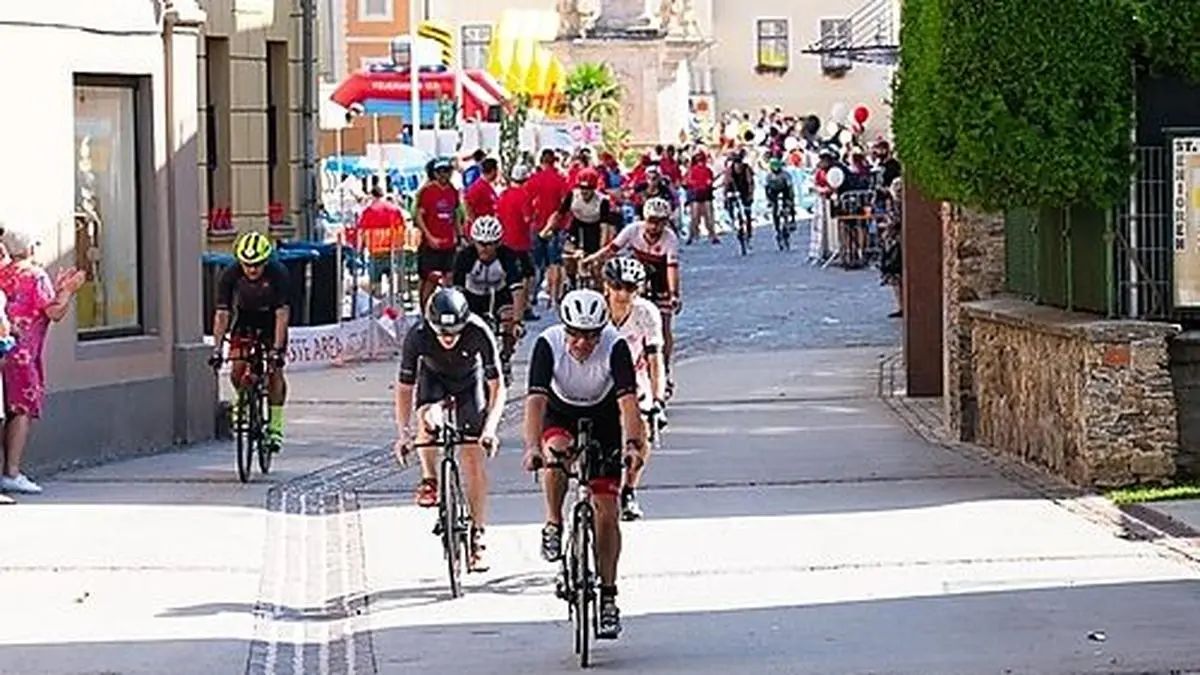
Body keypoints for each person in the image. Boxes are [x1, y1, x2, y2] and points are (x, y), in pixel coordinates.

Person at [522, 289, 647, 640]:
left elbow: (628, 402)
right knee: (555, 452)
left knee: (607, 508)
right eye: (575, 334)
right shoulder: (548, 344)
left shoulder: (615, 345)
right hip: (559, 412)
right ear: (564, 329)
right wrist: (532, 447)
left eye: (591, 336)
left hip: (603, 417)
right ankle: (553, 522)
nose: (582, 343)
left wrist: (632, 445)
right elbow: (535, 402)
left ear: (601, 332)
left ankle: (608, 597)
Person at [395, 287, 506, 571]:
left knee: (472, 458)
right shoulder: (418, 335)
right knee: (429, 420)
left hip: (470, 381)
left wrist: (490, 429)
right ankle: (430, 477)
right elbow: (405, 388)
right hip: (434, 379)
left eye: (454, 332)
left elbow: (498, 388)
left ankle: (478, 534)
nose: (448, 338)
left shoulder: (478, 331)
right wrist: (403, 433)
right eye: (442, 333)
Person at [0, 225, 86, 497]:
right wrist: (68, 291)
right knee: (21, 411)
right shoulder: (35, 275)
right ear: (28, 248)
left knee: (4, 411)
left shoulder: (3, 273)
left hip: (3, 351)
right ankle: (12, 472)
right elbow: (54, 312)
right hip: (23, 354)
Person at [585, 196, 681, 396]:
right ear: (644, 219)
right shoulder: (632, 230)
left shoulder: (670, 238)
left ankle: (663, 367)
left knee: (663, 326)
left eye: (660, 222)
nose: (654, 227)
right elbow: (612, 249)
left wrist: (674, 294)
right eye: (651, 221)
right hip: (637, 279)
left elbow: (672, 268)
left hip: (660, 279)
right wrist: (593, 259)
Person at [209, 231, 292, 451]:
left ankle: (275, 426)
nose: (252, 270)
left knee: (275, 371)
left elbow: (282, 314)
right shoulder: (230, 274)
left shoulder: (278, 273)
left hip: (272, 321)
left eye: (256, 265)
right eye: (247, 265)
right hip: (245, 319)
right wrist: (217, 349)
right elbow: (222, 314)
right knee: (237, 369)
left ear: (265, 261)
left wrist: (277, 350)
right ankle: (244, 399)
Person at [601, 257, 666, 521]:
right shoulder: (596, 310)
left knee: (642, 432)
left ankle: (629, 489)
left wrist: (658, 400)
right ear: (606, 286)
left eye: (630, 288)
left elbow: (655, 359)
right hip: (599, 377)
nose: (623, 294)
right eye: (617, 287)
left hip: (634, 378)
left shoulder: (646, 313)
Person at [452, 216, 526, 381]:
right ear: (474, 242)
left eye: (490, 244)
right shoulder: (465, 256)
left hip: (499, 294)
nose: (484, 249)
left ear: (498, 243)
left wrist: (518, 322)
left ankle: (505, 357)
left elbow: (518, 291)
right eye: (480, 244)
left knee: (508, 320)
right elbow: (456, 291)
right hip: (472, 295)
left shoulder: (508, 256)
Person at [543, 168, 621, 288]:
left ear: (594, 189)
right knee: (568, 256)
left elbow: (605, 227)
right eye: (582, 188)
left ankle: (598, 286)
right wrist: (546, 229)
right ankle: (571, 280)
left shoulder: (602, 201)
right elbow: (559, 214)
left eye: (588, 189)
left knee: (596, 264)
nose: (584, 192)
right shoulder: (573, 195)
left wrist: (601, 251)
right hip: (577, 225)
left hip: (594, 228)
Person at [414, 157, 464, 310]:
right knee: (431, 279)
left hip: (449, 243)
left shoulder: (453, 191)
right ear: (435, 173)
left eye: (446, 171)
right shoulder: (427, 191)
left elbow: (455, 214)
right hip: (432, 244)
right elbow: (419, 216)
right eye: (440, 171)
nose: (443, 175)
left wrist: (458, 235)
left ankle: (447, 309)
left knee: (449, 278)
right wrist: (429, 236)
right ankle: (424, 312)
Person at [527, 149, 570, 309]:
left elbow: (527, 202)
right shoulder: (560, 180)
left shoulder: (533, 180)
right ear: (554, 161)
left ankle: (532, 296)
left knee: (537, 263)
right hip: (556, 226)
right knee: (555, 263)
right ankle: (553, 298)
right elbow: (566, 202)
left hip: (537, 225)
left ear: (541, 161)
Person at [497, 164, 539, 321]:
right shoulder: (524, 195)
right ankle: (524, 306)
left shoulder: (503, 194)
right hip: (520, 241)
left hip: (504, 239)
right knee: (527, 274)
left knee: (509, 273)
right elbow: (527, 218)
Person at [684, 150, 718, 245]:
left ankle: (711, 235)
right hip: (697, 194)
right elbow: (688, 182)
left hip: (704, 194)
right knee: (696, 217)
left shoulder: (706, 170)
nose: (701, 162)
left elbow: (710, 180)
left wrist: (708, 183)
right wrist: (702, 184)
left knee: (707, 216)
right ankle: (693, 235)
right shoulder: (692, 170)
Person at [464, 157, 499, 225]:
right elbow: (467, 202)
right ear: (493, 171)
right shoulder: (477, 187)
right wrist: (474, 222)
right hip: (481, 227)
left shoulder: (487, 186)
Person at [763, 157, 795, 227]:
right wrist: (768, 199)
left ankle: (792, 218)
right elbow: (766, 187)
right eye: (773, 167)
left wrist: (790, 198)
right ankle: (776, 223)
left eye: (777, 166)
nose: (775, 169)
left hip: (785, 189)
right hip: (774, 190)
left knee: (788, 203)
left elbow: (789, 186)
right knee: (774, 206)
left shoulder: (785, 174)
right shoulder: (769, 175)